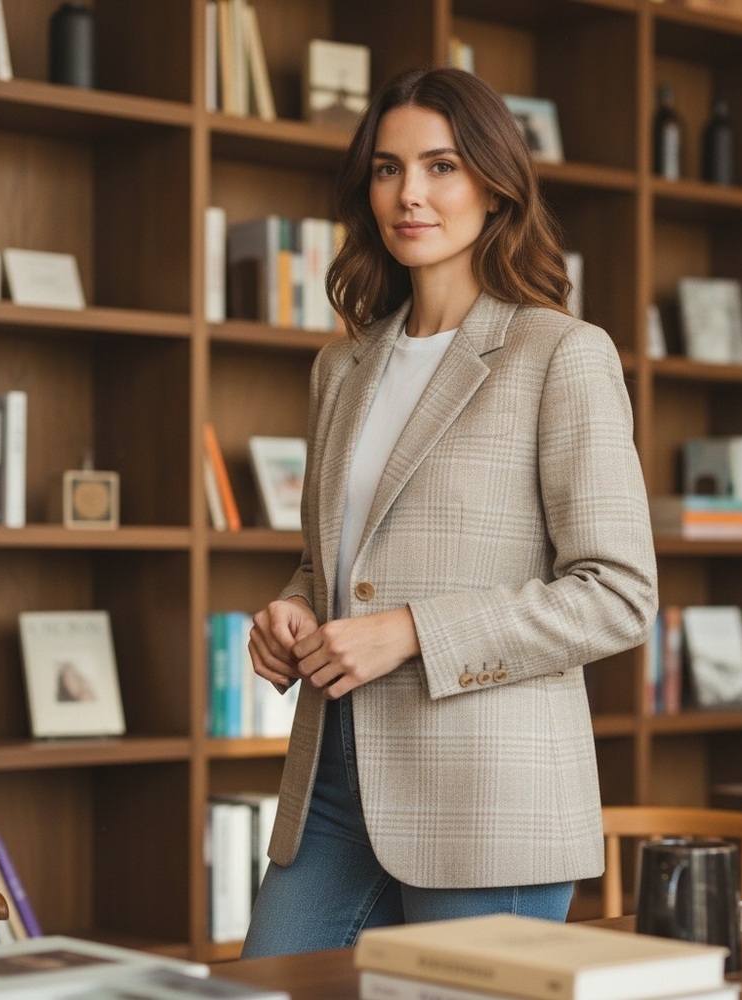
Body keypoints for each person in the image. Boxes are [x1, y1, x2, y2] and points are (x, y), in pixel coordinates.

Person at [241, 66, 657, 957]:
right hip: (331, 777)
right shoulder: (341, 367)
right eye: (388, 169)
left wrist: (415, 633)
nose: (410, 194)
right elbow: (333, 564)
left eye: (441, 166)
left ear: (494, 185)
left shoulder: (561, 354)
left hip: (488, 796)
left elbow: (618, 593)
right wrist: (291, 612)